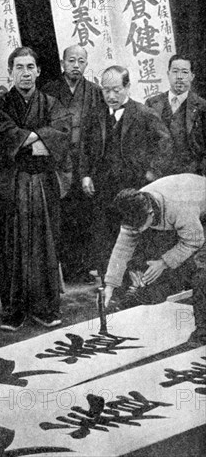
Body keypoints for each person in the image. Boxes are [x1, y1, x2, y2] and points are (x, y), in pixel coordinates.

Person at [0, 47, 71, 331]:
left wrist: (27, 140)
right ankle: (13, 310)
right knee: (12, 247)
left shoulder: (51, 103)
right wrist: (39, 138)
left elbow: (62, 132)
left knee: (46, 246)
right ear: (11, 72)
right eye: (19, 67)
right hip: (13, 185)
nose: (25, 72)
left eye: (30, 67)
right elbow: (5, 137)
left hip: (44, 184)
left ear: (38, 71)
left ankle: (45, 308)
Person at [80, 65, 171, 278]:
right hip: (102, 190)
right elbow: (84, 148)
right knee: (104, 238)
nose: (110, 96)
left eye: (116, 89)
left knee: (134, 236)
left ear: (127, 87)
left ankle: (136, 285)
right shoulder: (96, 115)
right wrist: (85, 175)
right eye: (105, 90)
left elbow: (166, 144)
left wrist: (152, 173)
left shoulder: (144, 114)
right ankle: (108, 285)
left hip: (133, 188)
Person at [103, 174, 206, 347]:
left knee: (201, 272)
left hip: (198, 207)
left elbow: (194, 240)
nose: (134, 230)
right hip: (185, 213)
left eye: (138, 226)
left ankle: (204, 331)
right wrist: (110, 284)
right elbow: (123, 247)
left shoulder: (178, 207)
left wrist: (164, 262)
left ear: (150, 213)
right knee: (156, 259)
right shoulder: (134, 205)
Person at [42, 45, 105, 282]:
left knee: (86, 215)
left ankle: (85, 268)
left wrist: (90, 169)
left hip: (85, 160)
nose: (76, 65)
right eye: (71, 61)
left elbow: (99, 132)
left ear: (86, 64)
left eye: (80, 61)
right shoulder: (49, 90)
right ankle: (67, 269)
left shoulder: (94, 91)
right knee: (63, 216)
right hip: (59, 162)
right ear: (62, 63)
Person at [146, 54, 206, 176]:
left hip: (192, 174)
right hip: (158, 175)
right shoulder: (152, 104)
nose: (179, 77)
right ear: (168, 74)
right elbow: (143, 142)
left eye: (184, 72)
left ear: (192, 76)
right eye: (175, 72)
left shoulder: (202, 106)